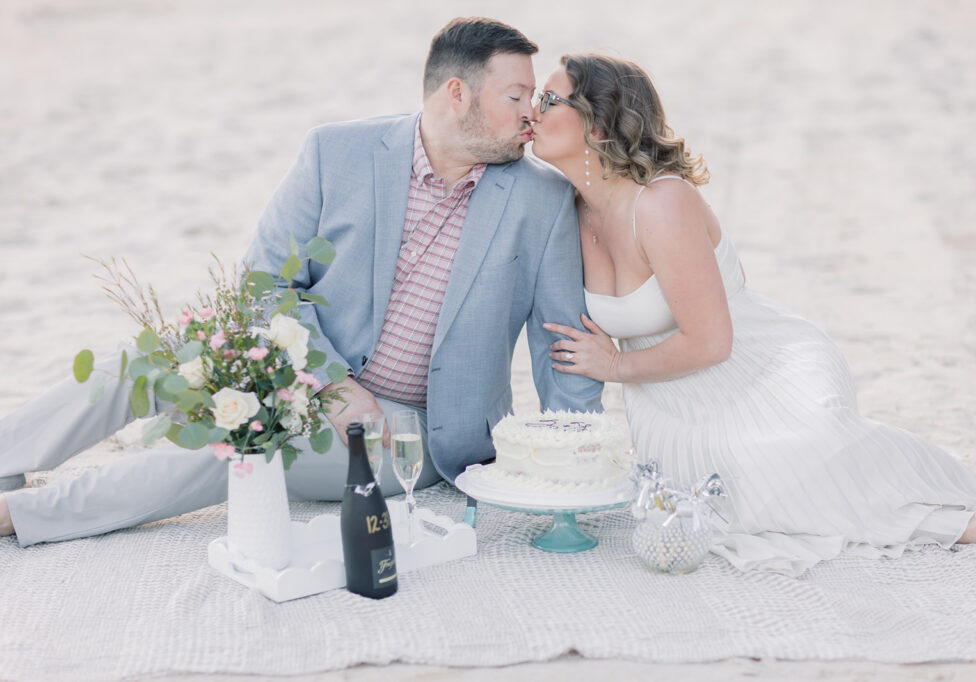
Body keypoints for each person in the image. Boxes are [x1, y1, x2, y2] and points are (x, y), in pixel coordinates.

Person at [0, 18, 602, 546]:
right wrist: (332, 384)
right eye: (517, 95)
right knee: (145, 360)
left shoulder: (542, 200)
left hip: (414, 433)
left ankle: (19, 515)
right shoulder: (335, 152)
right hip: (306, 374)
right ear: (457, 94)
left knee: (245, 445)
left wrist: (575, 466)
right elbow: (265, 282)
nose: (532, 113)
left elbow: (561, 346)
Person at [531, 53, 976, 576]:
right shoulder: (569, 210)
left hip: (761, 371)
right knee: (746, 500)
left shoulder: (661, 203)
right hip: (670, 412)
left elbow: (711, 341)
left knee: (805, 455)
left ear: (600, 124)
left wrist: (615, 367)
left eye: (549, 99)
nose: (533, 110)